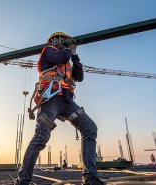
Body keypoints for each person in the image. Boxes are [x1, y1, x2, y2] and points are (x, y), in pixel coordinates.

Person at [15, 32, 105, 185]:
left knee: (89, 128)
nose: (65, 43)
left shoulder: (68, 60)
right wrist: (68, 50)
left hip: (67, 100)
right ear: (55, 40)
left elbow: (80, 76)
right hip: (50, 98)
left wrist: (75, 55)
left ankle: (90, 178)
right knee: (41, 137)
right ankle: (23, 180)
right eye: (63, 40)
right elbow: (62, 57)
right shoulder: (48, 51)